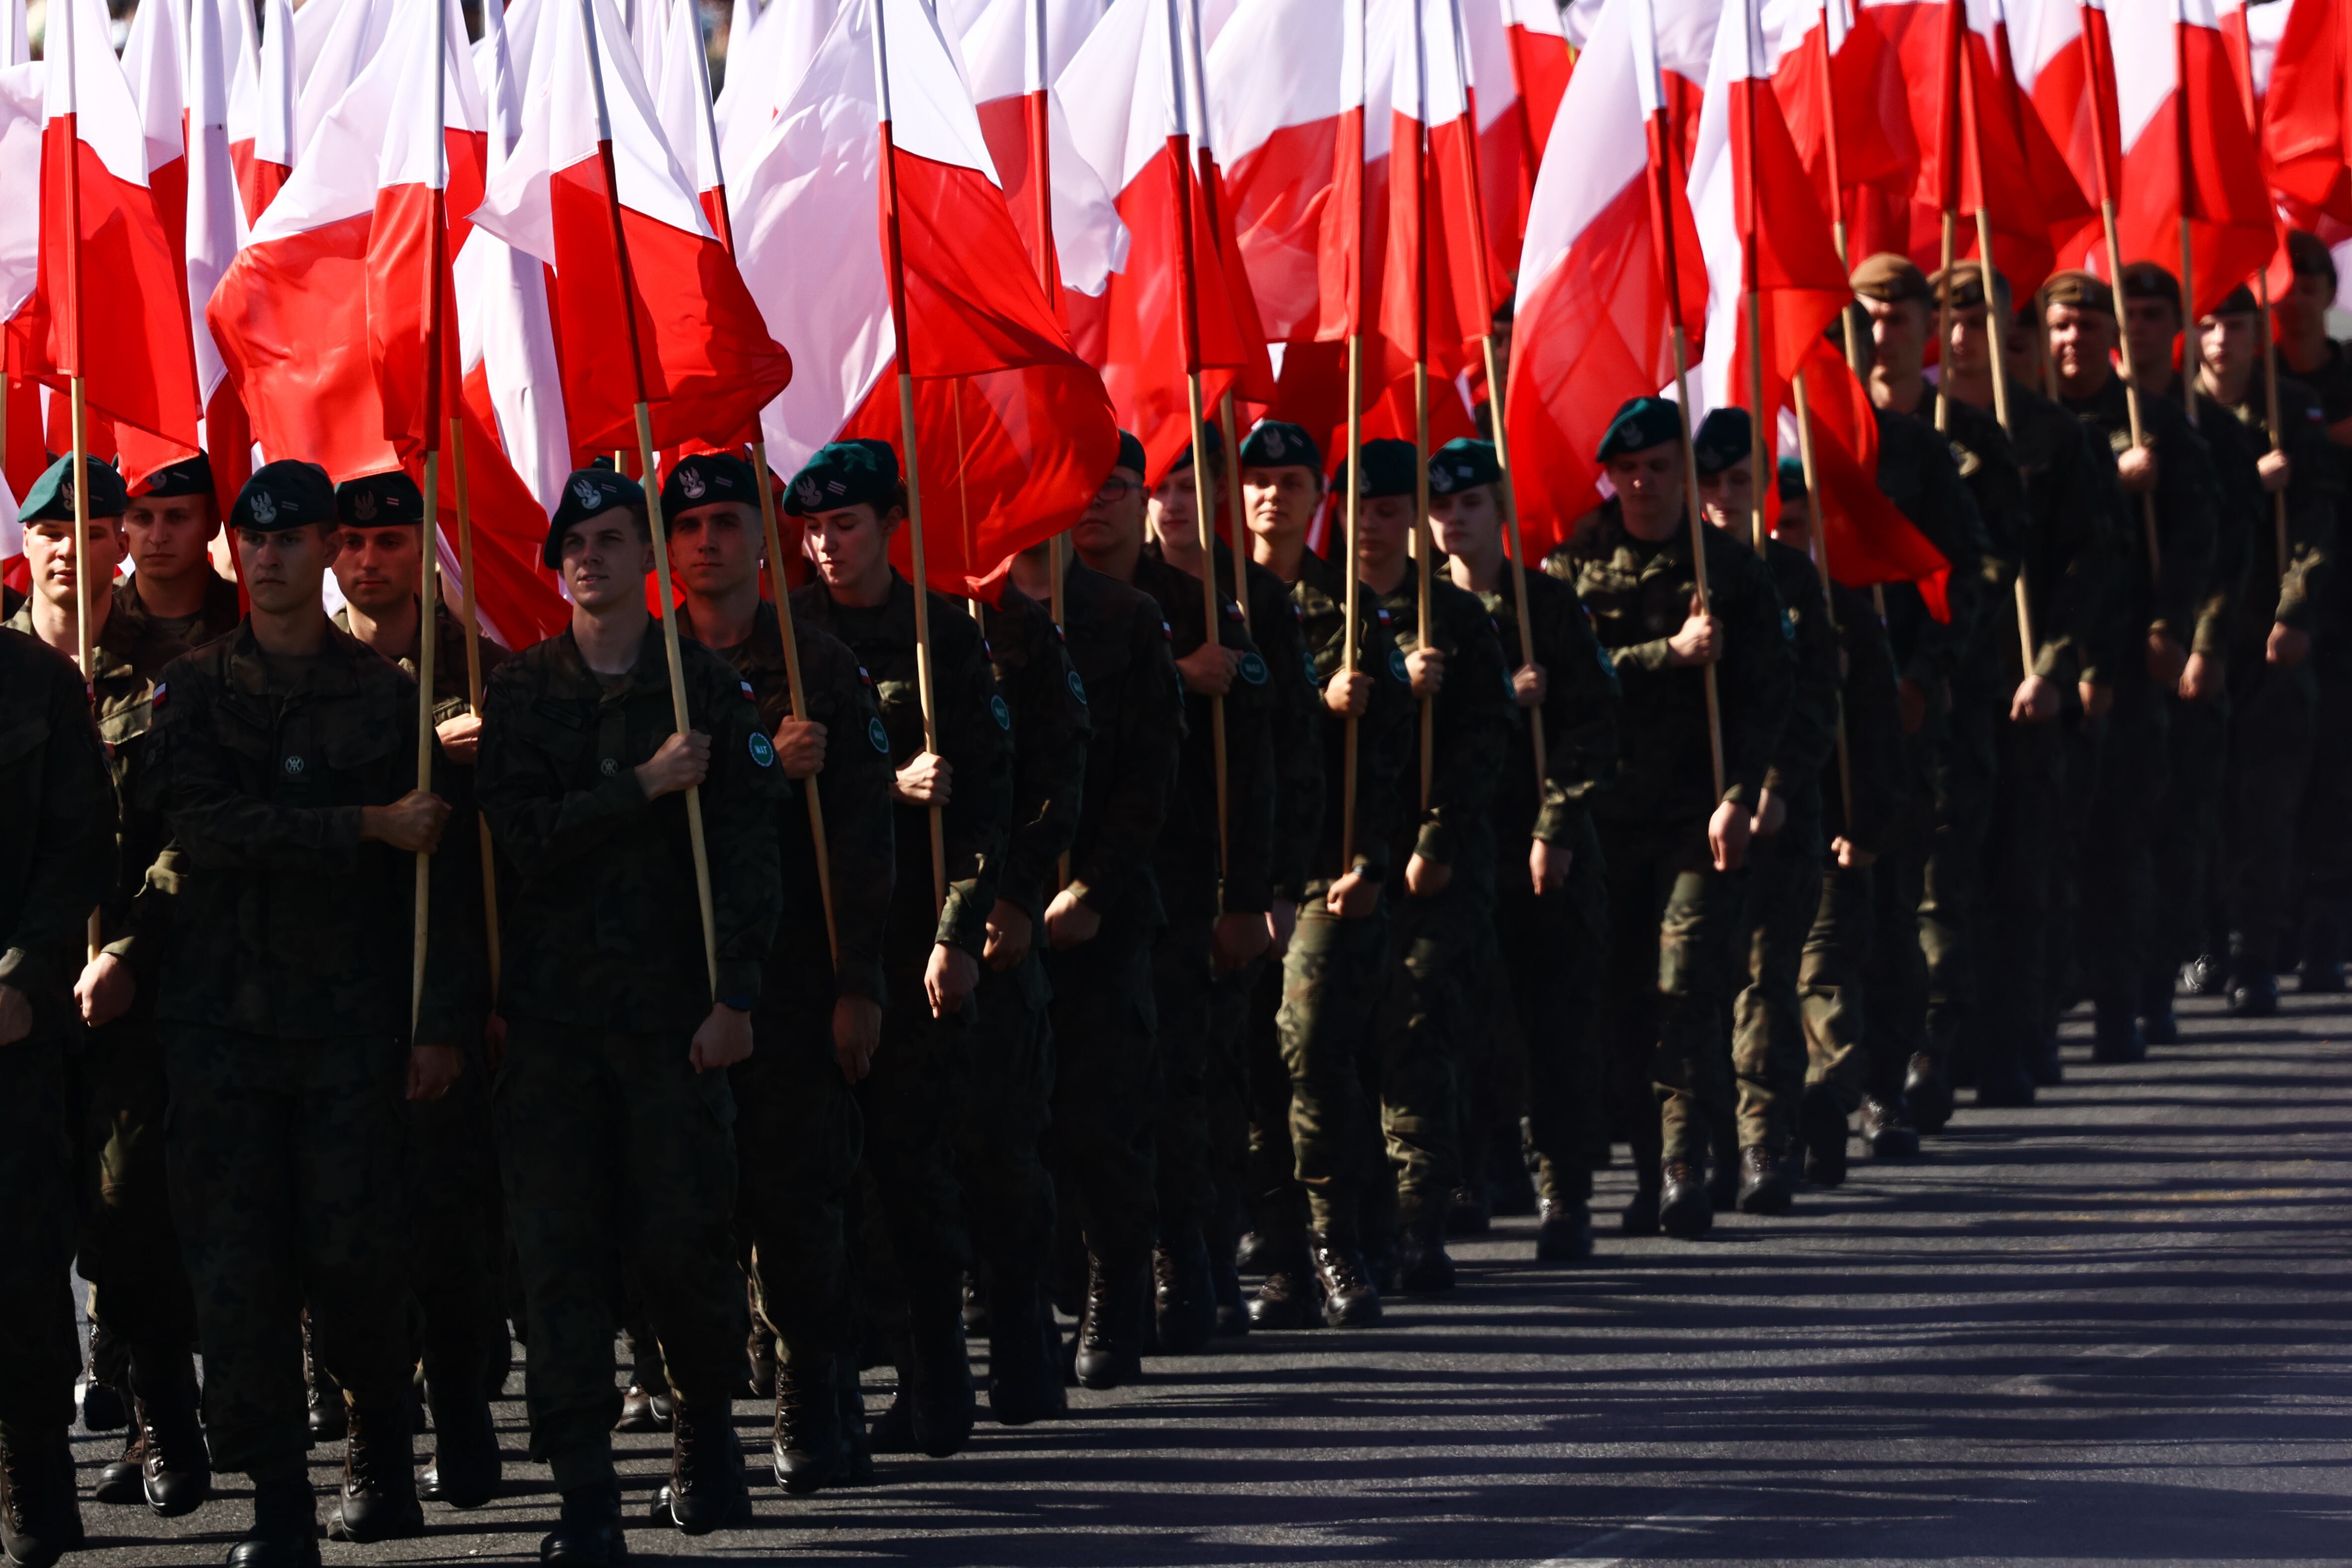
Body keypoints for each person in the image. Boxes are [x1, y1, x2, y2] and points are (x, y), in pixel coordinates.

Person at [146, 459, 475, 1564]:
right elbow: (202, 826)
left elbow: (435, 885)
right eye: (257, 538)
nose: (273, 555)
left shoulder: (384, 697)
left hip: (350, 1027)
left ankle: (380, 1446)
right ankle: (277, 1495)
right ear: (235, 550)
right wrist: (359, 825)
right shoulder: (192, 691)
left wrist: (436, 1021)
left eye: (296, 538)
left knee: (356, 1256)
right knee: (238, 1269)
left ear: (330, 549)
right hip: (223, 1028)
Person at [475, 467, 786, 1559]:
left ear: (645, 556)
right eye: (575, 543)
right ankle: (585, 1490)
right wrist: (642, 787)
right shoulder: (520, 691)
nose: (590, 558)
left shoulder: (703, 685)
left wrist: (736, 995)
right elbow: (520, 837)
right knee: (558, 1258)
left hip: (670, 1017)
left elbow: (753, 853)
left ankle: (706, 1433)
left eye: (611, 539)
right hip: (557, 1024)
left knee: (682, 1244)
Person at [664, 450, 896, 1490]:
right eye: (688, 522)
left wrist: (860, 982)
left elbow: (861, 835)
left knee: (798, 1194)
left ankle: (813, 1383)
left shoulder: (818, 663)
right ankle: (706, 1411)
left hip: (797, 972)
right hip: (674, 973)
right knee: (688, 1209)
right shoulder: (646, 665)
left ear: (765, 538)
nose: (707, 539)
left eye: (727, 520)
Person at [786, 440, 1011, 1451]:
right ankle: (826, 1385)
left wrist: (961, 931)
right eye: (813, 527)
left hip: (910, 937)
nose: (827, 544)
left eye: (847, 524)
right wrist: (879, 783)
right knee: (814, 1179)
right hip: (808, 941)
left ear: (888, 524)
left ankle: (936, 1378)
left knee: (912, 1169)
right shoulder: (784, 637)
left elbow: (989, 799)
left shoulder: (943, 635)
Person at [5, 457, 206, 1522]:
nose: (72, 549)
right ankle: (38, 1461)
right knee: (33, 1232)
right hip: (23, 998)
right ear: (26, 546)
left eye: (95, 528)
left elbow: (183, 826)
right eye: (52, 531)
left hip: (136, 983)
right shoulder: (10, 664)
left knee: (132, 1215)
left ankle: (159, 1419)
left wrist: (126, 946)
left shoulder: (164, 666)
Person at [1546, 397, 1793, 1237]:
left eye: (1658, 467)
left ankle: (1686, 1165)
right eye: (1627, 470)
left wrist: (1739, 795)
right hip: (1604, 816)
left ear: (1682, 475)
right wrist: (1667, 655)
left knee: (1684, 985)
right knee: (1619, 995)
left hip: (1696, 812)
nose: (1643, 483)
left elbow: (1768, 695)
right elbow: (1567, 680)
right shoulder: (1574, 560)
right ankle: (1651, 1167)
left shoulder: (1726, 566)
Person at [329, 468, 508, 1508]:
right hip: (340, 999)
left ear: (423, 551)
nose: (367, 559)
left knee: (452, 1224)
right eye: (350, 543)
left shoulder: (480, 674)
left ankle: (465, 1407)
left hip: (456, 991)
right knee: (352, 1233)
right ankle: (375, 1430)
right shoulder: (308, 677)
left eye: (390, 541)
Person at [1073, 435, 1273, 1366]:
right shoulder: (1039, 610)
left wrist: (1249, 894)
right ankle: (1091, 1270)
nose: (1096, 504)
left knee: (1181, 1082)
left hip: (1183, 880)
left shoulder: (1204, 608)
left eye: (1116, 487)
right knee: (1085, 1099)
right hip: (1073, 892)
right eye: (1083, 488)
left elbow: (1264, 769)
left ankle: (1186, 1254)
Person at [1231, 421, 1416, 1327]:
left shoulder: (1346, 606)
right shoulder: (1209, 603)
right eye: (1254, 479)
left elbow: (1389, 752)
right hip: (1232, 869)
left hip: (1318, 868)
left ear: (1316, 496)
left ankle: (1333, 1239)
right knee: (1252, 1063)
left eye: (1289, 480)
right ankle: (1277, 1251)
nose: (1270, 494)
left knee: (1305, 1044)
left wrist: (1371, 860)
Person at [1009, 434, 1183, 1378]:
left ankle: (1119, 1287)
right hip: (1001, 915)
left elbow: (1148, 778)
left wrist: (1092, 888)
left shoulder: (1125, 615)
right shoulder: (967, 618)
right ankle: (1030, 1294)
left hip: (1102, 915)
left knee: (1096, 1116)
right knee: (1008, 1125)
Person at [1933, 261, 2125, 1100]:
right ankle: (1941, 1043)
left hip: (2022, 687)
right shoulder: (1917, 432)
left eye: (1979, 316)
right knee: (1945, 873)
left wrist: (2053, 666)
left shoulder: (2047, 434)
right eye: (1949, 316)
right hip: (1944, 687)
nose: (1962, 332)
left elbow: (2091, 561)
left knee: (2022, 868)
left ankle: (2017, 1034)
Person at [1428, 437, 1619, 1255]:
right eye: (1440, 506)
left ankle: (1564, 1192)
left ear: (1498, 508)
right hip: (1461, 848)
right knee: (1466, 1022)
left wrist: (1557, 824)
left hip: (1544, 845)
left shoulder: (1545, 606)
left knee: (1556, 1025)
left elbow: (1594, 724)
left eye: (1469, 503)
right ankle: (1468, 1172)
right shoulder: (1417, 614)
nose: (1454, 520)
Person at [2046, 268, 2221, 1062]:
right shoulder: (2031, 430)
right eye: (2059, 326)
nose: (2072, 340)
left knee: (2125, 835)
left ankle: (2129, 997)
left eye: (2088, 327)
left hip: (2127, 662)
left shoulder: (2151, 425)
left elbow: (2200, 538)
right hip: (2046, 665)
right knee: (2049, 844)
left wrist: (2171, 624)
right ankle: (2037, 1011)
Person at [1144, 430, 1294, 1346]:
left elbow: (1280, 755)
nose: (1168, 502)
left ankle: (1269, 1253)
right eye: (1154, 484)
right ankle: (1165, 1264)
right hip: (1139, 880)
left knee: (1233, 1077)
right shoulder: (1117, 605)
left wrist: (1266, 885)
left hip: (1221, 878)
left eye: (1184, 484)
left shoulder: (1251, 601)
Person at [1853, 254, 2000, 1136]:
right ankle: (1849, 1080)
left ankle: (1923, 1049)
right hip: (1831, 708)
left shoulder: (1926, 444)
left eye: (1895, 316)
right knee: (1851, 899)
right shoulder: (1805, 432)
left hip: (1919, 703)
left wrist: (1923, 673)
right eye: (1863, 316)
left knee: (1925, 887)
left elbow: (1974, 566)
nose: (1880, 334)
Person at [0, 481, 118, 1568]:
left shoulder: (38, 686)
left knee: (24, 1271)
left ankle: (37, 1487)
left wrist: (27, 970)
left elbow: (80, 843)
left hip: (10, 1029)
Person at [1691, 410, 1839, 1212]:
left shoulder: (1791, 576)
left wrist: (1777, 788)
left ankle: (1764, 1143)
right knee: (1699, 988)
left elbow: (1815, 696)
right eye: (1707, 483)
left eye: (1738, 481)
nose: (1721, 498)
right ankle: (1710, 1144)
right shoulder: (1683, 572)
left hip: (1782, 818)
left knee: (1766, 982)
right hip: (1697, 818)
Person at [2120, 263, 2261, 1043]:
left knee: (2189, 819)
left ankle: (2182, 963)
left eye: (2152, 315)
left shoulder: (2207, 429)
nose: (2139, 328)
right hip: (2110, 661)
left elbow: (2223, 550)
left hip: (2188, 659)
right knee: (2119, 828)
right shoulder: (2089, 423)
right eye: (2128, 314)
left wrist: (2199, 644)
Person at [2190, 285, 2340, 1014]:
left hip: (2271, 641)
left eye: (2236, 324)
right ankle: (2204, 941)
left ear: (2259, 331)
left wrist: (2295, 611)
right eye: (2209, 325)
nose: (2221, 339)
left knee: (2269, 799)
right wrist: (2248, 481)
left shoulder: (2289, 411)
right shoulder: (2174, 414)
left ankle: (2256, 948)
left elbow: (2318, 523)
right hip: (2195, 642)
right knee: (2196, 800)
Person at [967, 538, 1090, 1405]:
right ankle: (927, 1362)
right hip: (884, 928)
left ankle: (1024, 1325)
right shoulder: (820, 633)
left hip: (1002, 926)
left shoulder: (1024, 631)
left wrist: (1020, 895)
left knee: (1006, 1138)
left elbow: (1056, 779)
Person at [1774, 461, 1910, 1183]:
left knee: (1824, 977)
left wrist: (1869, 824)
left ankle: (1828, 1101)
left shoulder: (1846, 615)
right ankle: (1772, 1126)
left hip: (1831, 832)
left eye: (1795, 525)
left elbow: (1880, 733)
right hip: (1749, 832)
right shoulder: (1728, 601)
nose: (1780, 538)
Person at [2258, 232, 2352, 990]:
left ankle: (2327, 928)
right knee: (2260, 776)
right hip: (2268, 610)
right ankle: (2260, 927)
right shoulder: (2251, 388)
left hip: (2343, 610)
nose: (2297, 297)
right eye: (2283, 285)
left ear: (2329, 291)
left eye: (2308, 282)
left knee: (2334, 771)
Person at [118, 454, 242, 647]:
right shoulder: (94, 624)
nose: (158, 538)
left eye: (176, 517)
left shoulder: (252, 621)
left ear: (212, 524)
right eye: (143, 518)